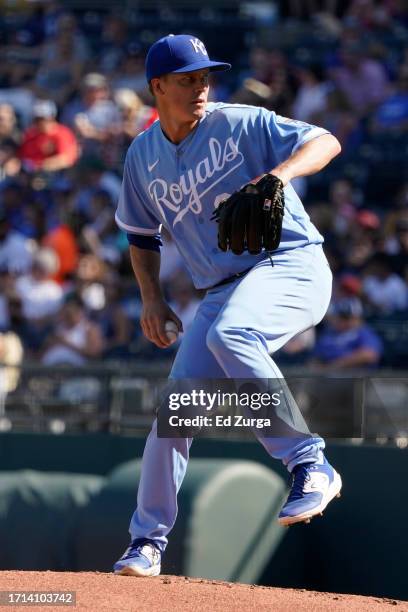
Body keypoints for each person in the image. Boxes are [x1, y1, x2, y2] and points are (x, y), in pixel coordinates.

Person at [113, 34, 343, 577]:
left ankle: (309, 461)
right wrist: (153, 297)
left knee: (231, 335)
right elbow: (141, 234)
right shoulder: (142, 155)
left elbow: (325, 140)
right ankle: (147, 542)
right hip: (224, 289)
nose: (200, 86)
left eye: (205, 76)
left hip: (291, 265)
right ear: (157, 87)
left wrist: (278, 176)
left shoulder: (239, 122)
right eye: (187, 78)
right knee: (175, 415)